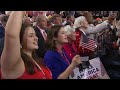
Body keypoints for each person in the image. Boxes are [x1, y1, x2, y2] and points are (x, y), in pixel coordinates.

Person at [1, 11, 52, 79]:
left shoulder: (36, 60)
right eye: (31, 36)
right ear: (20, 41)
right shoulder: (15, 63)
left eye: (35, 35)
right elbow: (11, 35)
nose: (36, 38)